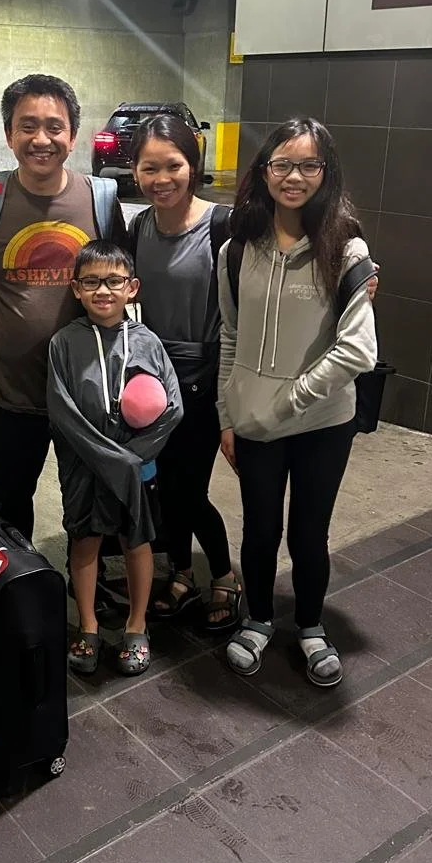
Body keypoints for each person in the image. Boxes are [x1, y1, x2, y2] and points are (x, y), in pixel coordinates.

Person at [217, 116, 377, 688]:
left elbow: (359, 349)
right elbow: (230, 339)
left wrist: (291, 400)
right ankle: (258, 619)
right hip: (253, 421)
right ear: (263, 172)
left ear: (325, 173)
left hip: (323, 423)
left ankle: (310, 627)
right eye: (282, 164)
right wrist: (228, 415)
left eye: (309, 165)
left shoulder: (347, 248)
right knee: (260, 530)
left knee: (309, 533)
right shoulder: (237, 250)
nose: (294, 176)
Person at [0, 74, 127, 543]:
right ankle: (21, 594)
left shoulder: (100, 199)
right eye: (27, 126)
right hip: (11, 397)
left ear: (72, 136)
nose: (41, 139)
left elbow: (120, 282)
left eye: (54, 127)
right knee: (11, 507)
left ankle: (94, 599)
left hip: (89, 394)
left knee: (94, 502)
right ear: (10, 134)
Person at [127, 114, 242, 632]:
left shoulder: (223, 225)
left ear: (193, 166)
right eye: (150, 168)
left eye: (173, 165)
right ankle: (179, 571)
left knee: (188, 491)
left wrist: (358, 266)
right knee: (159, 487)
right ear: (135, 172)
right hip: (152, 380)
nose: (162, 178)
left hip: (204, 378)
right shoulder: (138, 228)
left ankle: (223, 573)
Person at [47, 240, 182, 676]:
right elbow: (61, 410)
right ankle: (87, 626)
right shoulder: (64, 344)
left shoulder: (148, 342)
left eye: (114, 281)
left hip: (135, 464)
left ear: (132, 287)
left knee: (135, 541)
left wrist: (132, 457)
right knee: (84, 540)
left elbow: (173, 408)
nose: (102, 291)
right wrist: (108, 459)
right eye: (91, 282)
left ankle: (136, 625)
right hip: (84, 466)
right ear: (75, 289)